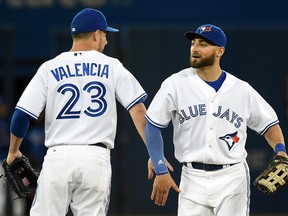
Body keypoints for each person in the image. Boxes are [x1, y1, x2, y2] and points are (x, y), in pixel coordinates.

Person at [5, 8, 147, 216]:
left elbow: (21, 116)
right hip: (95, 158)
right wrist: (155, 155)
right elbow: (139, 110)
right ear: (96, 34)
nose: (106, 41)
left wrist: (13, 151)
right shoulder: (111, 66)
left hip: (58, 157)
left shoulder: (50, 68)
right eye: (105, 35)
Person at [144, 24, 287, 216]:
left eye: (203, 44)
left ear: (220, 51)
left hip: (232, 178)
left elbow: (270, 125)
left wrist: (281, 151)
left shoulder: (241, 89)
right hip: (191, 178)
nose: (195, 48)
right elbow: (152, 125)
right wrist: (160, 168)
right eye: (193, 43)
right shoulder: (176, 84)